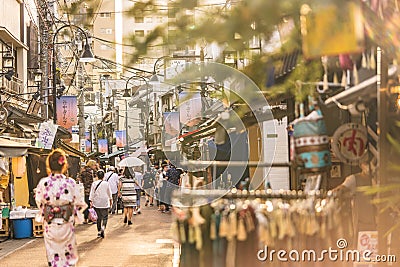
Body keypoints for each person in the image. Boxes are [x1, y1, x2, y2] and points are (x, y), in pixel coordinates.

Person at [35, 149, 87, 267]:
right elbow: (79, 202)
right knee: (67, 255)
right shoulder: (70, 183)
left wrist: (49, 209)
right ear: (64, 164)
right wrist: (72, 211)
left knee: (53, 255)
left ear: (49, 164)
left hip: (50, 224)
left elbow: (39, 201)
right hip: (66, 222)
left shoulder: (44, 183)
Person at [333, 160, 377, 245]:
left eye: (373, 163)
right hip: (362, 222)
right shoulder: (353, 179)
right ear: (361, 165)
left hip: (377, 221)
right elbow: (340, 189)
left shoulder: (376, 180)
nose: (370, 166)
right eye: (367, 163)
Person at [89, 170, 112, 238]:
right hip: (105, 201)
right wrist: (111, 200)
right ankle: (103, 227)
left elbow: (92, 193)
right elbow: (109, 192)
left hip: (97, 202)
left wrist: (91, 201)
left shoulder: (94, 183)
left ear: (97, 176)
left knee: (98, 217)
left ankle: (99, 231)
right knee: (105, 217)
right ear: (103, 176)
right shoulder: (106, 183)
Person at [80, 160, 97, 224]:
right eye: (94, 165)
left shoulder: (83, 171)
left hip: (85, 190)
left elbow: (80, 180)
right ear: (92, 165)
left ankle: (85, 219)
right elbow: (95, 181)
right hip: (92, 190)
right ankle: (92, 218)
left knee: (86, 204)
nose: (95, 166)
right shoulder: (92, 172)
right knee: (92, 204)